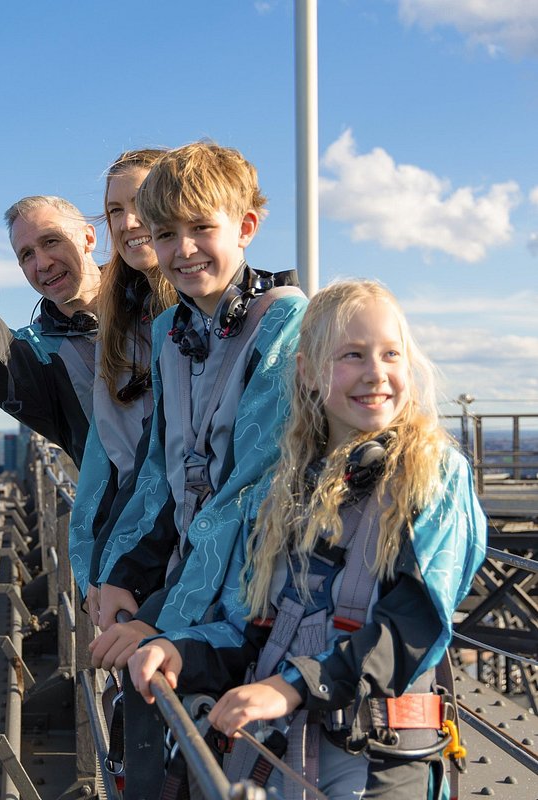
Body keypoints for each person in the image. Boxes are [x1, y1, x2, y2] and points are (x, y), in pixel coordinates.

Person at [128, 279, 486, 798]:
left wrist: (292, 687)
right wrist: (179, 650)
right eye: (352, 355)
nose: (376, 373)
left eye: (391, 353)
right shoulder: (281, 490)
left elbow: (411, 629)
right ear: (309, 373)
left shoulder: (434, 476)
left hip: (376, 755)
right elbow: (251, 627)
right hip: (276, 751)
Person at [90, 141, 306, 670]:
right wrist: (124, 575)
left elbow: (246, 489)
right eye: (166, 234)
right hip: (195, 590)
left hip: (260, 602)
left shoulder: (283, 322)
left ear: (246, 227)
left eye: (201, 228)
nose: (184, 250)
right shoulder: (172, 331)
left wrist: (162, 618)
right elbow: (161, 470)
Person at [67, 149, 178, 622]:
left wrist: (113, 567)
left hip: (181, 556)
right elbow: (110, 459)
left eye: (142, 202)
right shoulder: (124, 314)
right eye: (115, 209)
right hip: (137, 553)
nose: (129, 221)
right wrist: (98, 565)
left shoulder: (211, 317)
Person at [0, 196, 101, 465]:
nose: (42, 264)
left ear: (88, 238)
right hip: (122, 505)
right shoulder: (39, 353)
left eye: (51, 241)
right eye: (27, 255)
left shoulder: (156, 300)